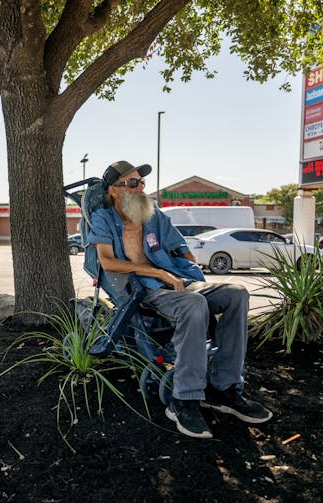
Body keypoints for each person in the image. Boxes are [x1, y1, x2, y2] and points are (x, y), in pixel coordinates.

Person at [87, 160, 272, 439]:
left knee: (236, 293)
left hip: (177, 281)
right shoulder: (104, 219)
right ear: (114, 189)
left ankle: (224, 388)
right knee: (194, 304)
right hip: (144, 289)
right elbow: (108, 261)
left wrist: (185, 264)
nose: (141, 188)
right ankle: (183, 400)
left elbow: (178, 244)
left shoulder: (153, 215)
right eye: (133, 183)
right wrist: (157, 272)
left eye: (142, 182)